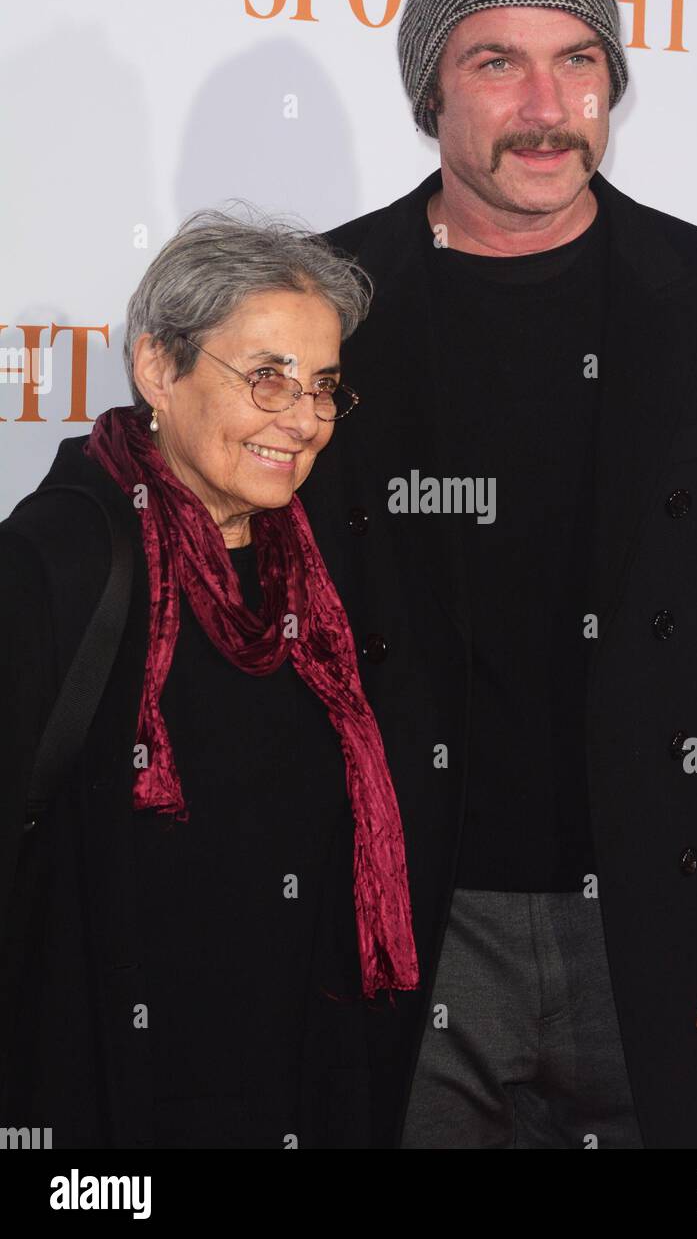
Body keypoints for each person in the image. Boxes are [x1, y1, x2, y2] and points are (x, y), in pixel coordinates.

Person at [298, 0, 697, 1148]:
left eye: (578, 59)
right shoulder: (324, 301)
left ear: (613, 79)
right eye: (496, 61)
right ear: (431, 92)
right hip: (399, 929)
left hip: (656, 928)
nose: (546, 105)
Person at [0, 208, 419, 1149]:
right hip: (104, 1096)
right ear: (158, 366)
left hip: (293, 1082)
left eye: (323, 387)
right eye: (266, 377)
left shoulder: (315, 575)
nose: (303, 419)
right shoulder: (55, 564)